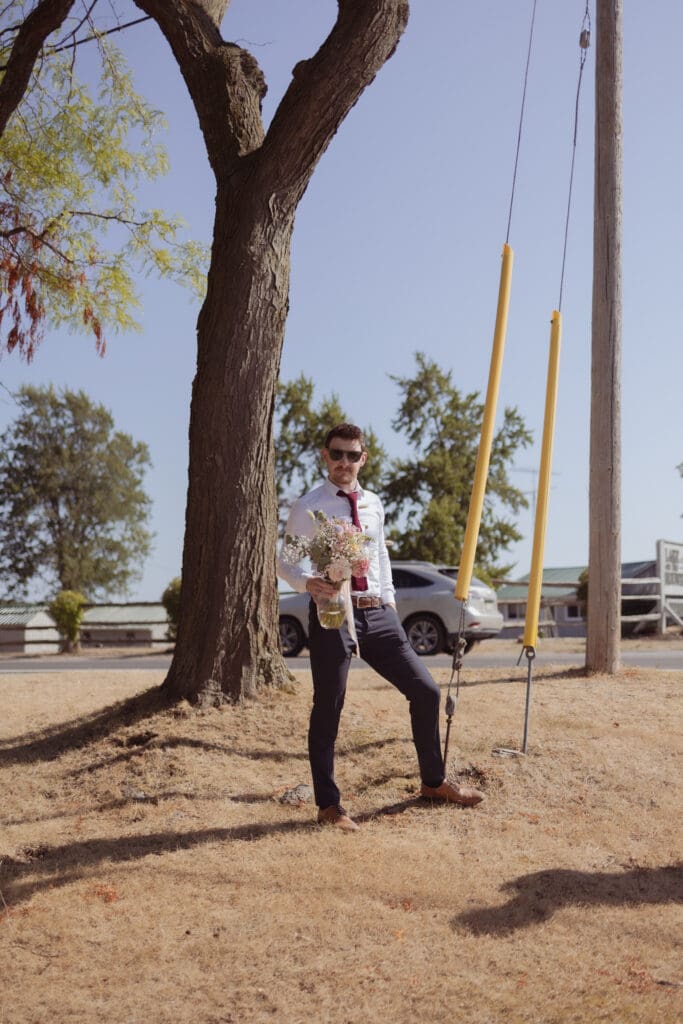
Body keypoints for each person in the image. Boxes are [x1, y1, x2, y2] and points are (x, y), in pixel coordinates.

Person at [277, 423, 484, 832]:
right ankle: (329, 806)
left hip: (377, 614)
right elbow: (285, 560)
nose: (344, 463)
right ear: (325, 456)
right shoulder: (309, 506)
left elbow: (381, 555)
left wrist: (388, 601)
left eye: (352, 455)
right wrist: (306, 583)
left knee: (425, 690)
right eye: (337, 454)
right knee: (329, 706)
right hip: (332, 612)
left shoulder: (373, 503)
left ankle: (433, 782)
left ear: (363, 458)